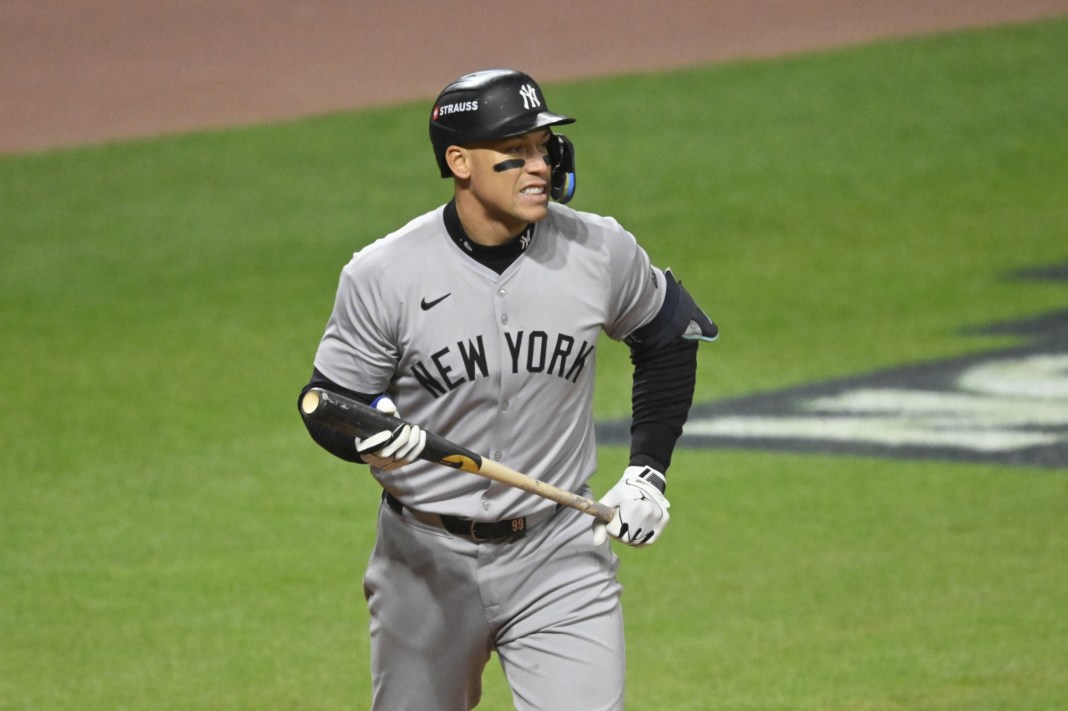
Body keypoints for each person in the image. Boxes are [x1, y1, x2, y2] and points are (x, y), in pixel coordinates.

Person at [298, 68, 716, 711]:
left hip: (559, 552)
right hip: (424, 563)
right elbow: (330, 402)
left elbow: (668, 338)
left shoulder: (597, 249)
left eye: (543, 147)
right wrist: (373, 437)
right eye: (514, 152)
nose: (539, 166)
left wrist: (648, 472)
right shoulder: (385, 274)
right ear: (459, 162)